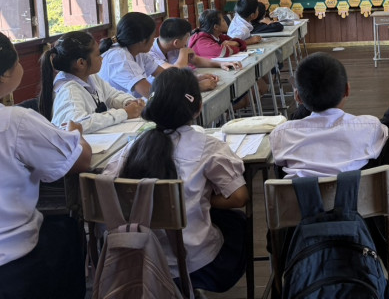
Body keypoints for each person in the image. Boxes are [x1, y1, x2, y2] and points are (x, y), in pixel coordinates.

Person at [103, 68, 248, 293]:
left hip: (140, 259)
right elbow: (239, 197)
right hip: (197, 265)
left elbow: (108, 187)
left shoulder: (133, 147)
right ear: (198, 108)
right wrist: (201, 198)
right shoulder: (208, 146)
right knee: (236, 222)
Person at [0, 32, 92, 299]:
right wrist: (76, 135)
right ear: (5, 75)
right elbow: (81, 159)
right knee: (66, 229)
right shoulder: (15, 121)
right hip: (15, 262)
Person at [270, 52, 389, 178]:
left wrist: (308, 100)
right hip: (359, 203)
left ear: (298, 97)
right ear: (347, 90)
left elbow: (280, 172)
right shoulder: (369, 129)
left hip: (301, 203)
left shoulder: (281, 136)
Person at [38, 31, 145, 133]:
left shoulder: (90, 77)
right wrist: (124, 113)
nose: (101, 58)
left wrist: (129, 102)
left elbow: (112, 95)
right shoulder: (69, 91)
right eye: (97, 55)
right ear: (81, 63)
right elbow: (77, 124)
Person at [150, 18, 242, 91]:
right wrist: (184, 52)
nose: (187, 42)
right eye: (187, 39)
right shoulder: (150, 54)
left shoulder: (172, 44)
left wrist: (220, 64)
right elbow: (175, 73)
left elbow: (195, 60)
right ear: (176, 42)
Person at [98, 11, 165, 98]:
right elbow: (151, 94)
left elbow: (165, 76)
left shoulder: (138, 52)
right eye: (153, 36)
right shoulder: (119, 57)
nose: (154, 39)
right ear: (143, 40)